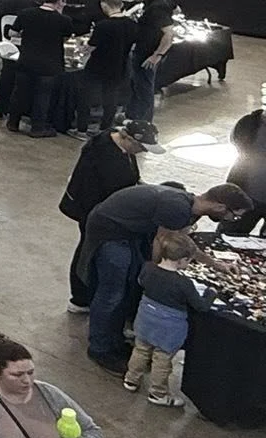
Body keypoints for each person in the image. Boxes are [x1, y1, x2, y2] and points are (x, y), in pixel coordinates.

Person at [77, 183, 245, 372]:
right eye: (235, 215)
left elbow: (184, 244)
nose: (234, 220)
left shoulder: (189, 206)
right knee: (112, 294)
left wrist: (216, 264)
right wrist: (158, 271)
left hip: (127, 232)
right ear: (220, 207)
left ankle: (114, 339)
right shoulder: (178, 208)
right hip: (110, 232)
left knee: (124, 289)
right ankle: (100, 349)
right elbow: (163, 242)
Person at [58, 121, 151, 312]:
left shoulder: (116, 143)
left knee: (90, 251)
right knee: (87, 252)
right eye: (141, 147)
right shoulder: (105, 156)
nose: (142, 152)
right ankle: (80, 298)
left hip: (100, 210)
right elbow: (116, 188)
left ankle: (86, 293)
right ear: (129, 139)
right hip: (93, 212)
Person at [127, 230, 207, 409]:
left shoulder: (147, 268)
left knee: (140, 350)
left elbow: (140, 282)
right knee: (162, 359)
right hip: (168, 328)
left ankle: (131, 379)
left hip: (145, 319)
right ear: (182, 260)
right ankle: (158, 393)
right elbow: (200, 306)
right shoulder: (184, 284)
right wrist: (210, 294)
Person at [7, 0, 72, 137]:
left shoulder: (26, 13)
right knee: (43, 97)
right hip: (49, 64)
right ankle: (37, 128)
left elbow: (13, 32)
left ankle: (13, 122)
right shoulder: (64, 20)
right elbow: (66, 38)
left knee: (19, 93)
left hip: (26, 60)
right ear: (59, 1)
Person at [121, 0, 176, 132]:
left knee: (144, 89)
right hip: (144, 50)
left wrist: (157, 55)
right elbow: (176, 9)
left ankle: (143, 125)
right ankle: (132, 117)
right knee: (137, 85)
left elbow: (169, 34)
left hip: (148, 55)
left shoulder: (157, 7)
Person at [81, 0, 136, 135]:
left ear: (104, 5)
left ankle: (81, 128)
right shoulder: (132, 25)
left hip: (97, 65)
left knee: (86, 96)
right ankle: (105, 128)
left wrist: (83, 49)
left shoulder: (103, 25)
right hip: (119, 65)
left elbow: (92, 46)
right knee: (111, 98)